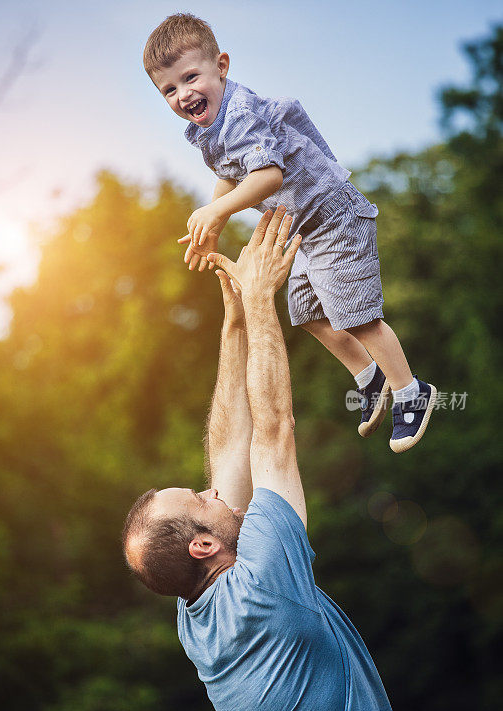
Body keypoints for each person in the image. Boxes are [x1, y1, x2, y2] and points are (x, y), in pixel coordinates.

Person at [123, 208, 423, 711]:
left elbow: (230, 447)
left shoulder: (198, 617)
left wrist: (234, 325)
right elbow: (274, 433)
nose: (213, 489)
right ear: (202, 544)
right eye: (200, 496)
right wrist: (263, 300)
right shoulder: (262, 585)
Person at [142, 12, 436, 453]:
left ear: (221, 66)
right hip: (305, 232)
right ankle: (369, 377)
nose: (184, 95)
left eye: (190, 77)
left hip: (333, 218)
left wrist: (218, 209)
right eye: (169, 89)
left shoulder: (240, 114)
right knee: (307, 312)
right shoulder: (207, 130)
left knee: (358, 316)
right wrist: (214, 216)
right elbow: (230, 174)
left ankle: (412, 391)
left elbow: (267, 176)